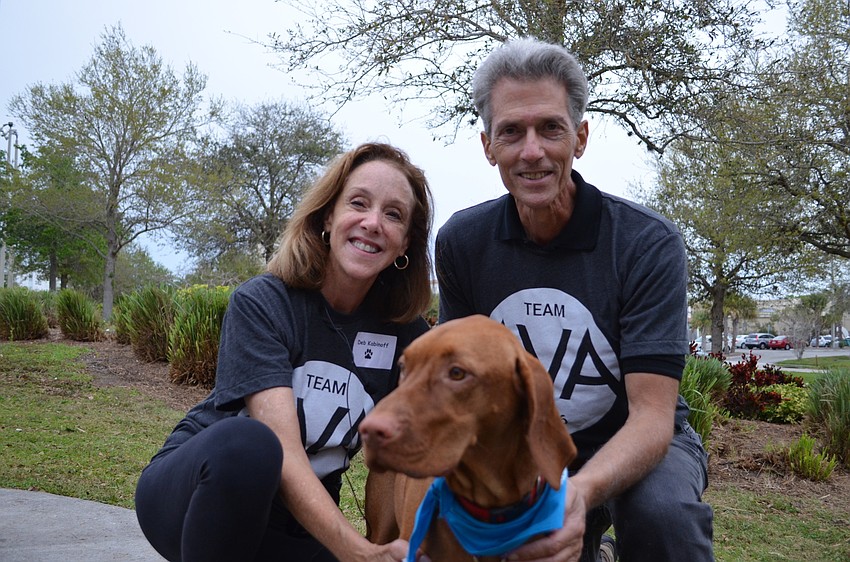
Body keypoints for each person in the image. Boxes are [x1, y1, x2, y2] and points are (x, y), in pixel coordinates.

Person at [435, 38, 714, 562]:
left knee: (663, 517)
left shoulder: (645, 243)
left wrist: (578, 494)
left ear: (580, 138)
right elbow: (462, 390)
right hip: (523, 443)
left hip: (641, 439)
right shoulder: (462, 243)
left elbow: (652, 416)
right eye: (511, 132)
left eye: (551, 128)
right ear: (488, 146)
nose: (531, 151)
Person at [136, 142, 434, 562]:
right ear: (328, 216)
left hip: (297, 526)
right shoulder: (264, 302)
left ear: (405, 243)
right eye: (358, 203)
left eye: (394, 214)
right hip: (196, 497)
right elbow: (284, 450)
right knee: (251, 443)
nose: (372, 223)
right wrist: (359, 553)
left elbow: (419, 453)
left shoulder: (408, 337)